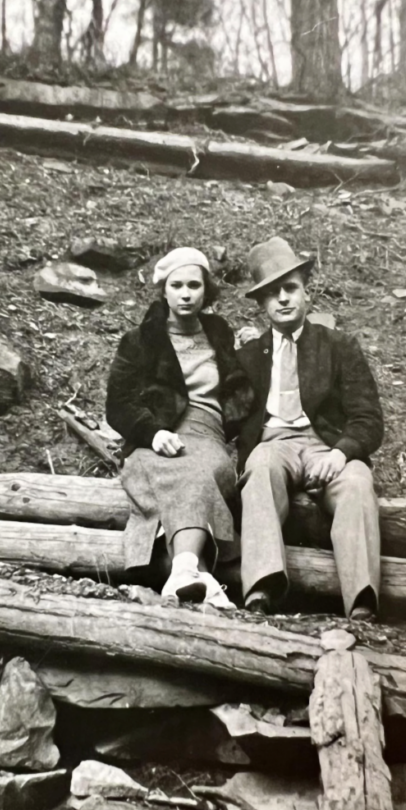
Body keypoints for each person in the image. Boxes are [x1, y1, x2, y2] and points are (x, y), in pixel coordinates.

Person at [236, 236, 383, 621]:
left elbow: (368, 419)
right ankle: (263, 588)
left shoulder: (338, 346)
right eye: (272, 293)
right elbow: (223, 411)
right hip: (274, 444)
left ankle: (361, 600)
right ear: (261, 305)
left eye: (290, 288)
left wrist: (340, 453)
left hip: (326, 446)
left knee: (356, 482)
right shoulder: (248, 356)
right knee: (261, 467)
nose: (283, 298)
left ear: (306, 294)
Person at [106, 246, 251, 608]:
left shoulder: (219, 333)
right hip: (155, 438)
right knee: (186, 472)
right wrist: (152, 432)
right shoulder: (140, 341)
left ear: (206, 291)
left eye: (194, 285)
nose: (186, 293)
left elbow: (238, 389)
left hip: (208, 434)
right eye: (177, 285)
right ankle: (193, 572)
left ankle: (184, 573)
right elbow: (118, 405)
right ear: (164, 290)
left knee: (207, 468)